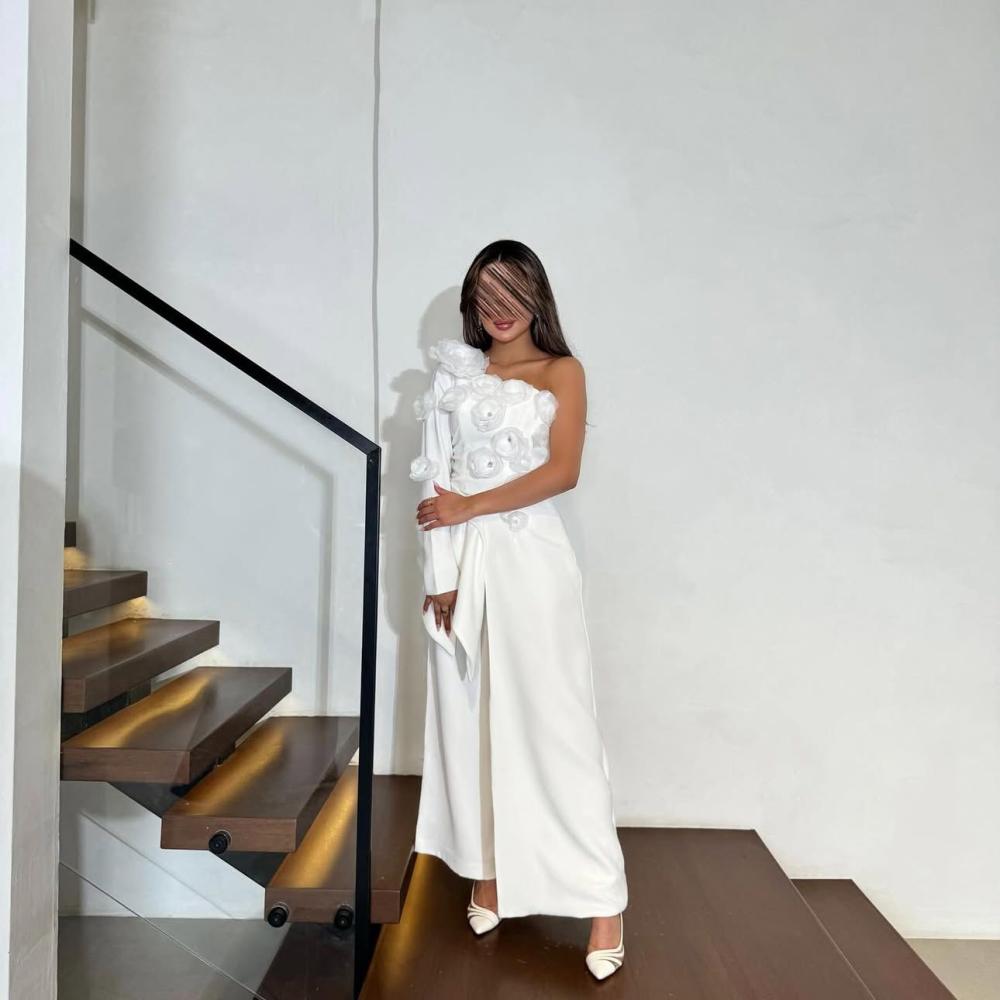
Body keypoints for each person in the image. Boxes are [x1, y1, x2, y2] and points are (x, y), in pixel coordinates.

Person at [410, 239, 627, 981]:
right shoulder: (454, 374)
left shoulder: (563, 371)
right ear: (473, 302)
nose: (500, 308)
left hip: (533, 561)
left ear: (537, 297)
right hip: (463, 568)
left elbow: (563, 471)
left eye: (513, 292)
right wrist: (441, 576)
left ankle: (602, 900)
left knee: (557, 724)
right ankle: (490, 873)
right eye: (487, 293)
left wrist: (471, 506)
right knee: (473, 722)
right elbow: (434, 480)